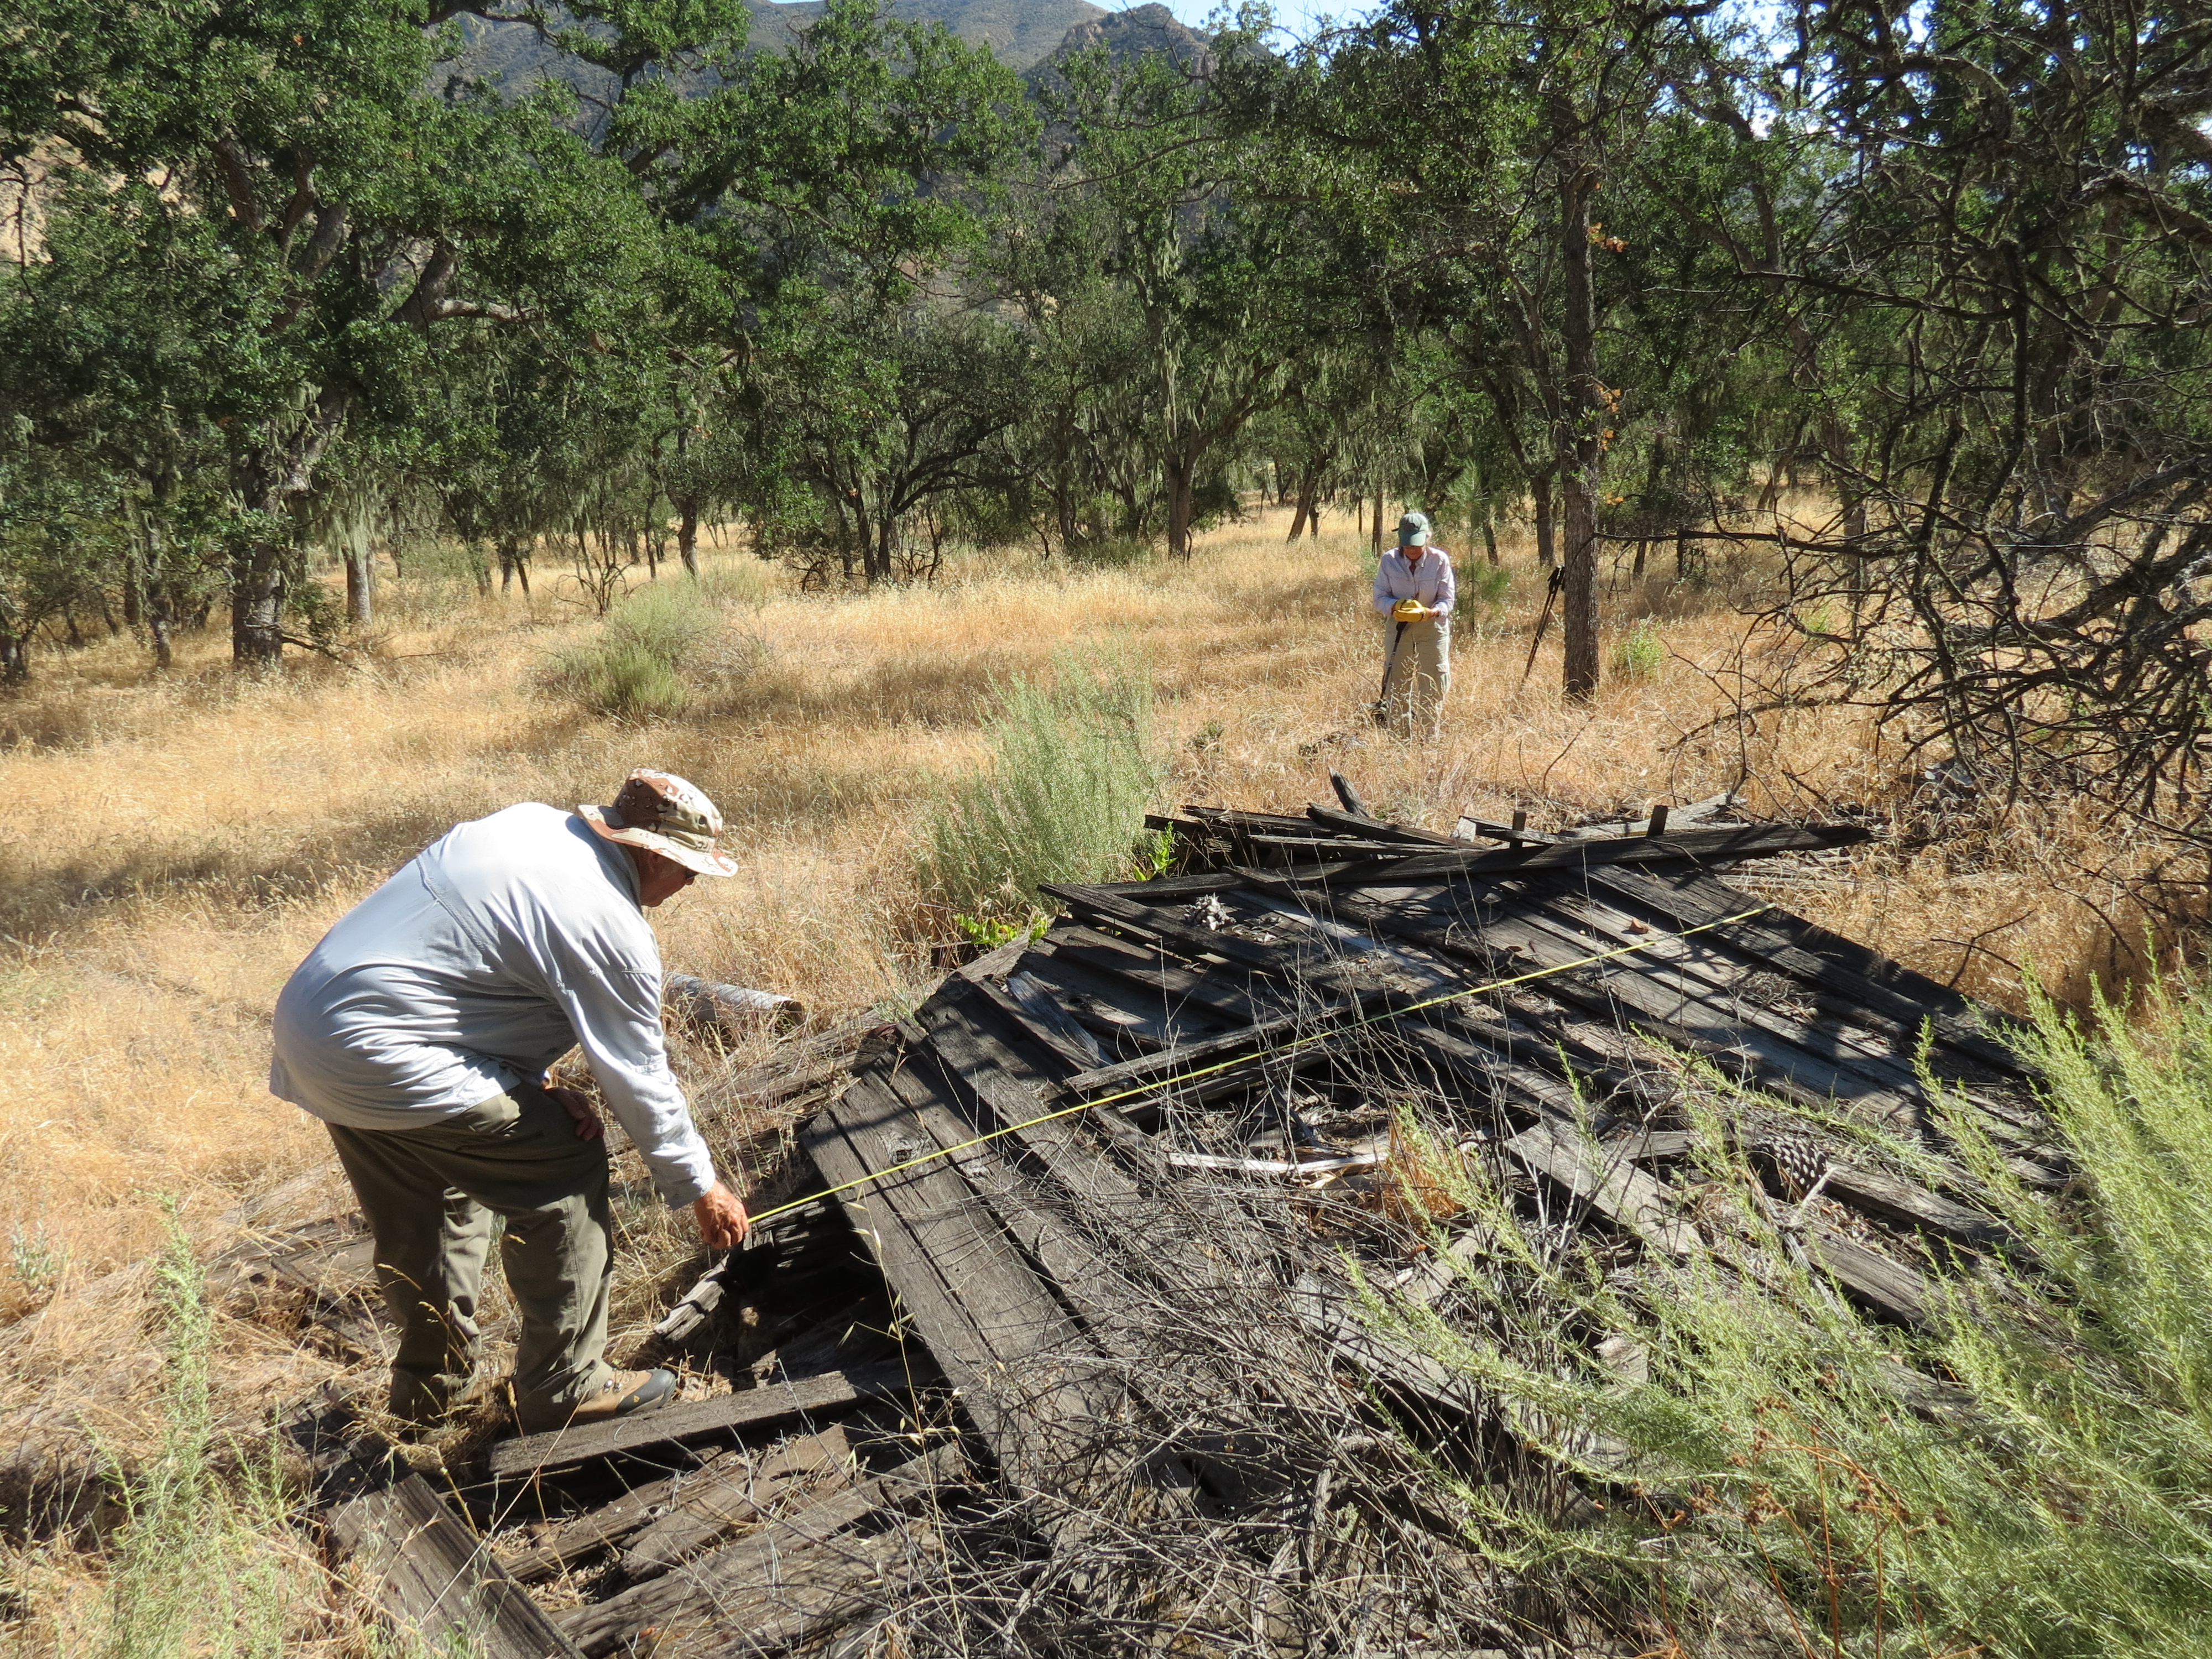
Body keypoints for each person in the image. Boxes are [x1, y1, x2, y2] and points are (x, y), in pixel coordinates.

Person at [270, 769, 752, 1434]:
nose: (693, 883)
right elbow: (639, 1073)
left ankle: (429, 1400)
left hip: (317, 1031)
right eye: (689, 868)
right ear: (652, 852)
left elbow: (463, 968)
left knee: (431, 1205)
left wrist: (535, 1082)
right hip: (393, 1052)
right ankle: (566, 1385)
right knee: (561, 1166)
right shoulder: (608, 923)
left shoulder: (526, 826)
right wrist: (701, 1186)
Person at [1371, 510, 1455, 737]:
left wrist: (1432, 612)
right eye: (1408, 545)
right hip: (1399, 627)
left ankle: (1430, 737)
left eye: (1417, 545)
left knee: (1434, 679)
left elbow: (1448, 599)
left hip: (1433, 627)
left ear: (1427, 537)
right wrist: (1396, 607)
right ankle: (1400, 739)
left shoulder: (1440, 560)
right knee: (1397, 680)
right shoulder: (1389, 560)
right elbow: (1379, 598)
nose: (1413, 550)